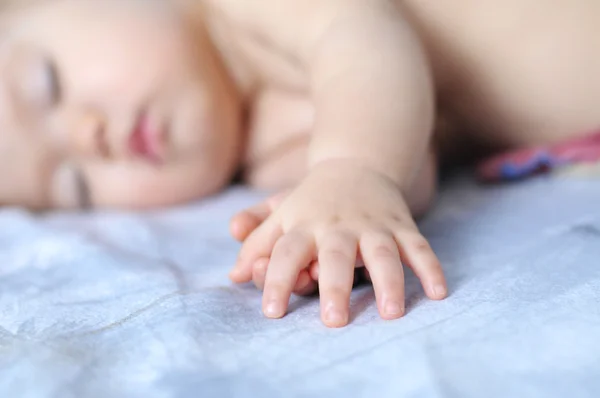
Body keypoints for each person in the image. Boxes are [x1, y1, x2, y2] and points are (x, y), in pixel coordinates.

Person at [1, 0, 598, 328]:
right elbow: (406, 167)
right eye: (74, 184)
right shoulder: (266, 154)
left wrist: (352, 167)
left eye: (46, 83)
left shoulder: (236, 12)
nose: (88, 138)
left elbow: (362, 33)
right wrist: (331, 232)